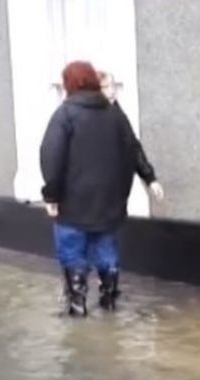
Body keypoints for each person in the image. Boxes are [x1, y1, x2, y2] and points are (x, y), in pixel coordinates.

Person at [40, 61, 141, 317]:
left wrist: (51, 195)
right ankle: (109, 302)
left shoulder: (65, 115)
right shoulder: (114, 114)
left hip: (73, 204)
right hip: (108, 204)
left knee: (72, 252)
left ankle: (77, 305)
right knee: (107, 252)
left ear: (69, 85)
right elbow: (131, 150)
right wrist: (124, 192)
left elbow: (51, 156)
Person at [99, 71, 165, 202]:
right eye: (105, 87)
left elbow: (132, 146)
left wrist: (150, 178)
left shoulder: (117, 114)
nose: (111, 91)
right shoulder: (88, 117)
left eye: (113, 86)